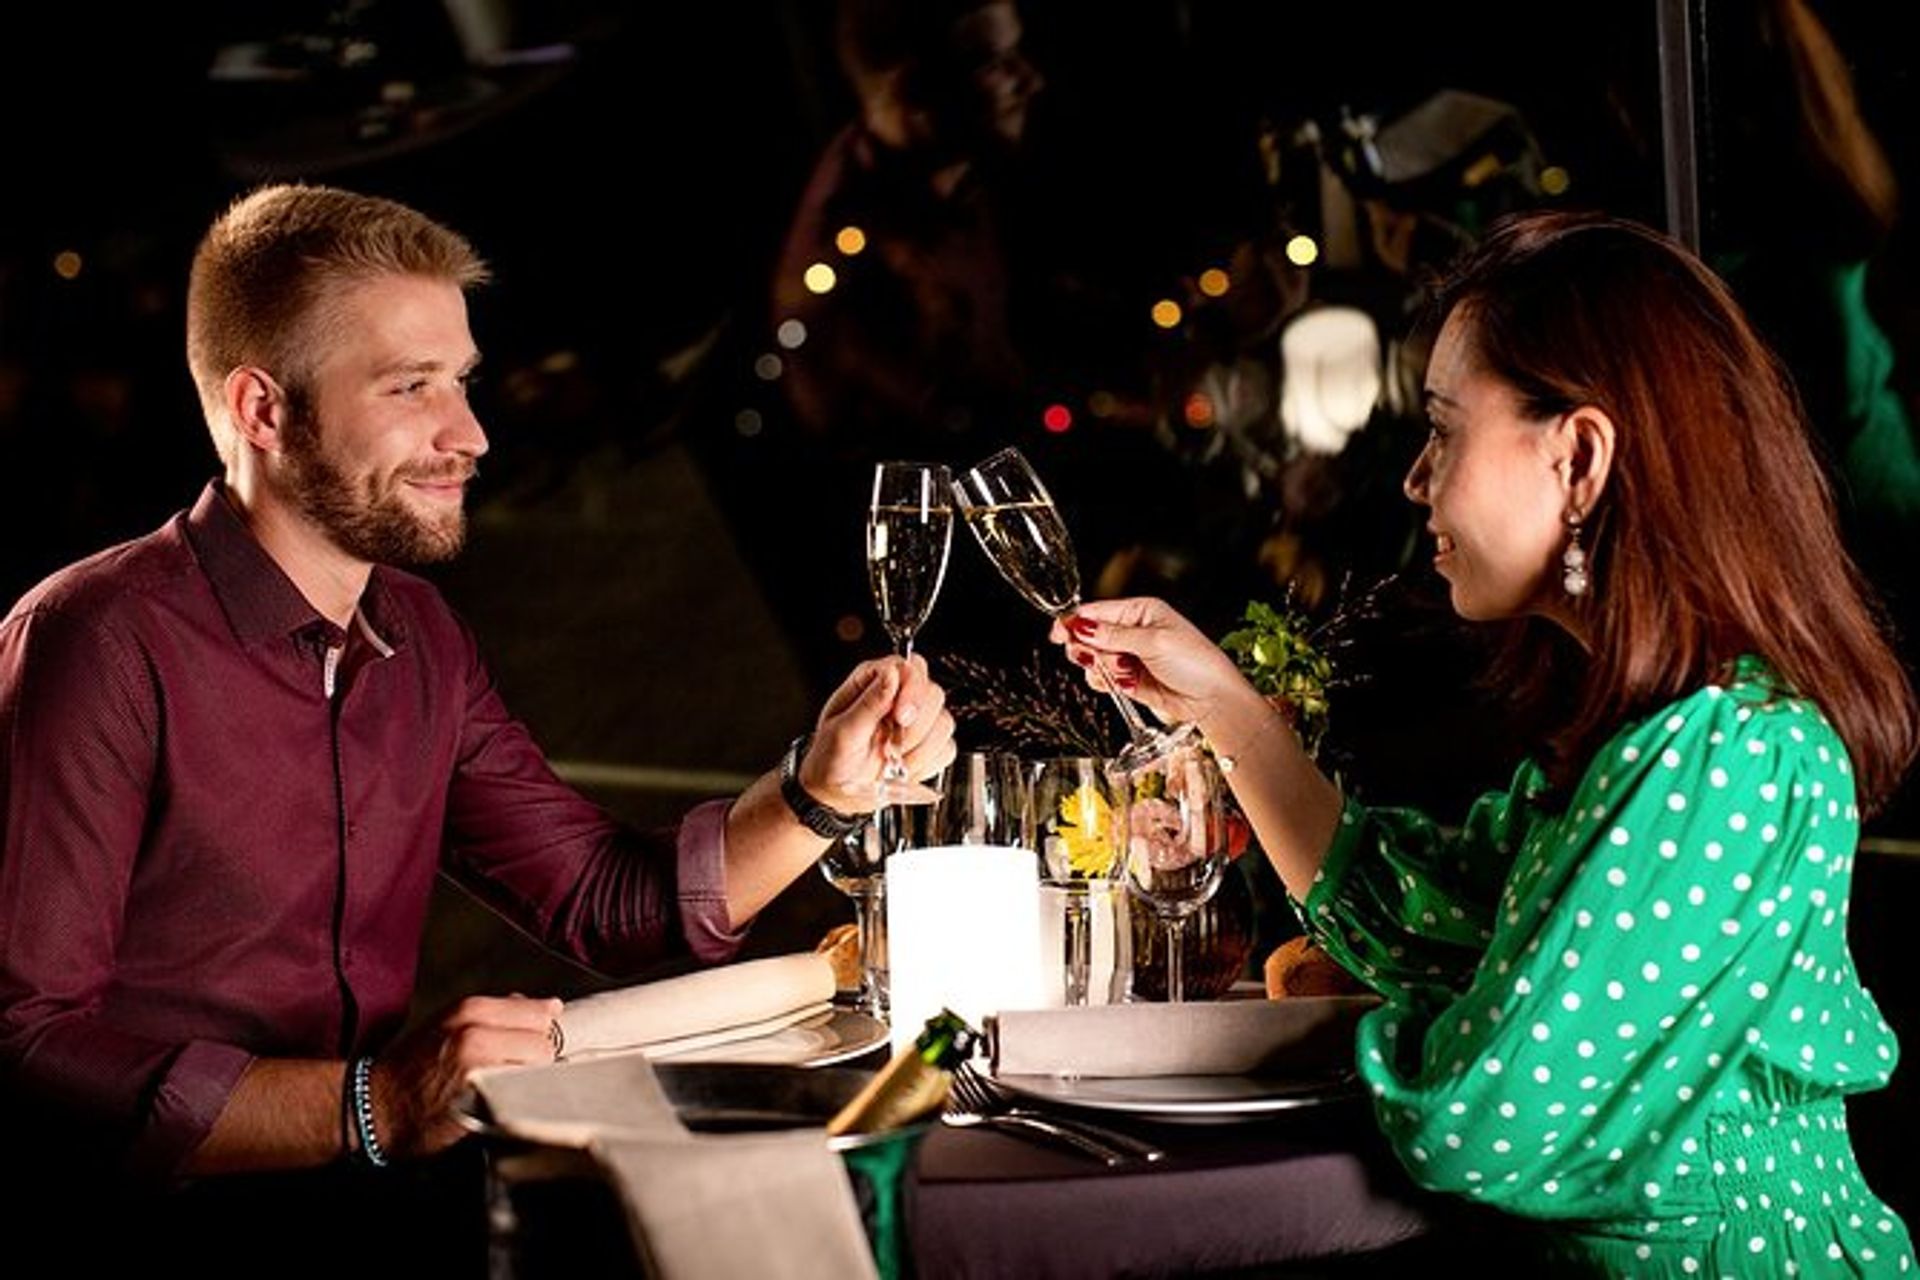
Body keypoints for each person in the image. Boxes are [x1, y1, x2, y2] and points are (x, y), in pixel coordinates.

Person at [0, 183, 954, 1265]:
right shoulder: (95, 640)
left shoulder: (419, 634)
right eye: (412, 388)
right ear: (264, 410)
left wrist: (822, 790)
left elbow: (603, 898)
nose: (471, 435)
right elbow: (26, 1044)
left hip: (373, 1207)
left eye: (459, 382)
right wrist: (369, 1106)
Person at [1053, 210, 1916, 1275]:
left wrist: (1302, 1041)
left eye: (1445, 428)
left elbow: (1481, 1119)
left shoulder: (1730, 752)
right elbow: (1416, 920)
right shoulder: (1655, 743)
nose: (1416, 478)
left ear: (1581, 457)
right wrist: (1225, 707)